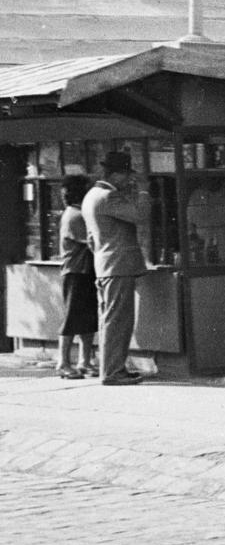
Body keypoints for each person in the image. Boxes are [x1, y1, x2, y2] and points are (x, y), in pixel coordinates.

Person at [82, 151, 150, 386]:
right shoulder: (109, 196)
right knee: (118, 320)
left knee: (111, 319)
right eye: (127, 175)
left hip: (105, 264)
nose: (129, 180)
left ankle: (113, 368)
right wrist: (143, 189)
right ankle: (112, 371)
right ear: (118, 174)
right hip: (118, 265)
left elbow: (91, 239)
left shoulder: (91, 195)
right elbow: (141, 215)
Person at [54, 175, 98, 379]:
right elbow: (93, 241)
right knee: (72, 318)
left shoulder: (76, 212)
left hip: (84, 271)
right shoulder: (76, 216)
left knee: (88, 319)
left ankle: (84, 361)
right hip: (76, 272)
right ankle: (63, 362)